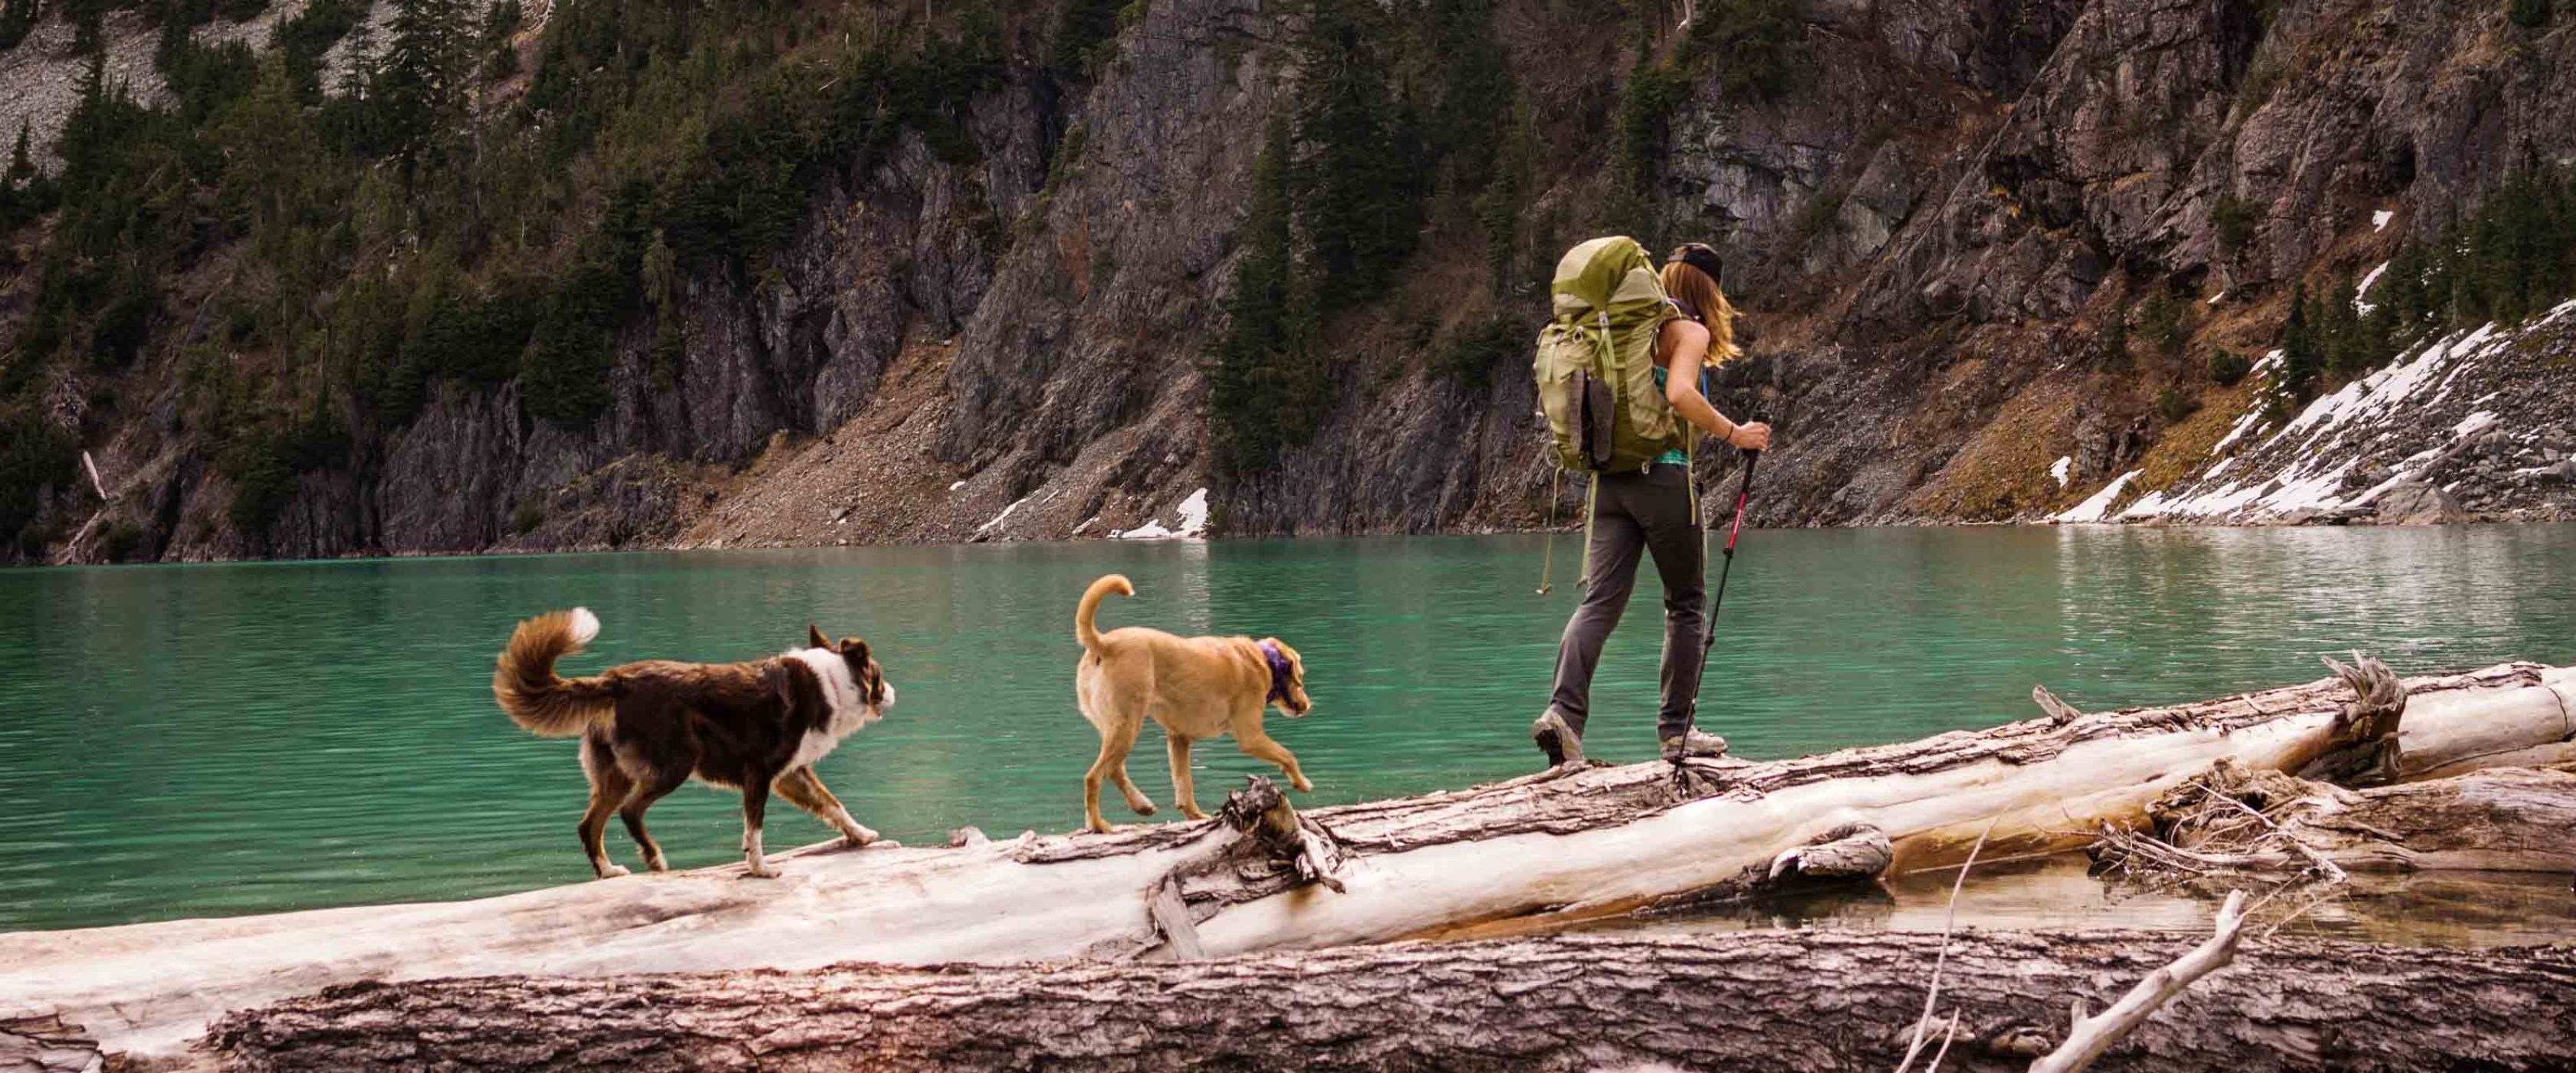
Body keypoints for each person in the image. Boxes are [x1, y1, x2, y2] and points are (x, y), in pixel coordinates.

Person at [1532, 242, 1769, 766]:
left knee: (1598, 603)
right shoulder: (1686, 330)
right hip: (1663, 480)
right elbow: (1682, 392)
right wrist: (1736, 434)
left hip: (1608, 484)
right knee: (1685, 604)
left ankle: (1563, 716)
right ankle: (1676, 732)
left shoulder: (1624, 330)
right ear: (1711, 290)